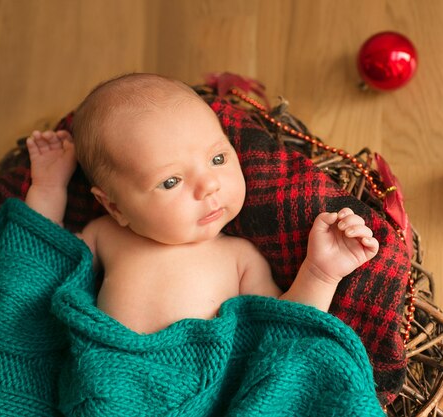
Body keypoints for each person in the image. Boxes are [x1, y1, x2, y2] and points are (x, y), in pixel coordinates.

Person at [25, 73, 379, 334]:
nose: (209, 185)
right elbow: (38, 261)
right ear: (116, 208)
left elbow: (283, 329)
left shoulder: (240, 257)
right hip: (116, 377)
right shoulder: (104, 234)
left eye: (218, 160)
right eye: (171, 181)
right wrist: (49, 186)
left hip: (205, 388)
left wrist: (321, 272)